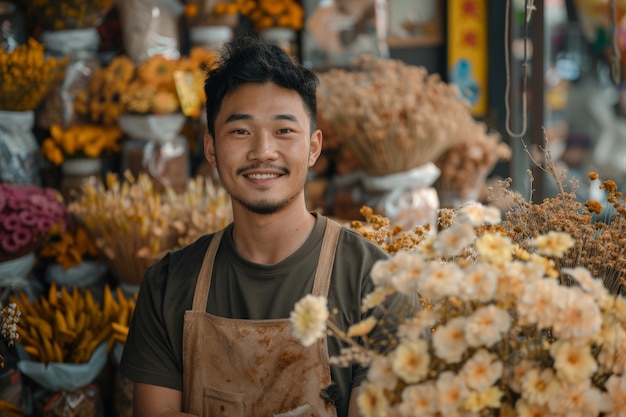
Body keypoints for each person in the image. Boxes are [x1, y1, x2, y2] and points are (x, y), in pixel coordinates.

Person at [118, 35, 390, 417]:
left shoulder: (374, 281)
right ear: (211, 149)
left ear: (313, 148)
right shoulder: (167, 285)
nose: (263, 151)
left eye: (284, 131)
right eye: (241, 131)